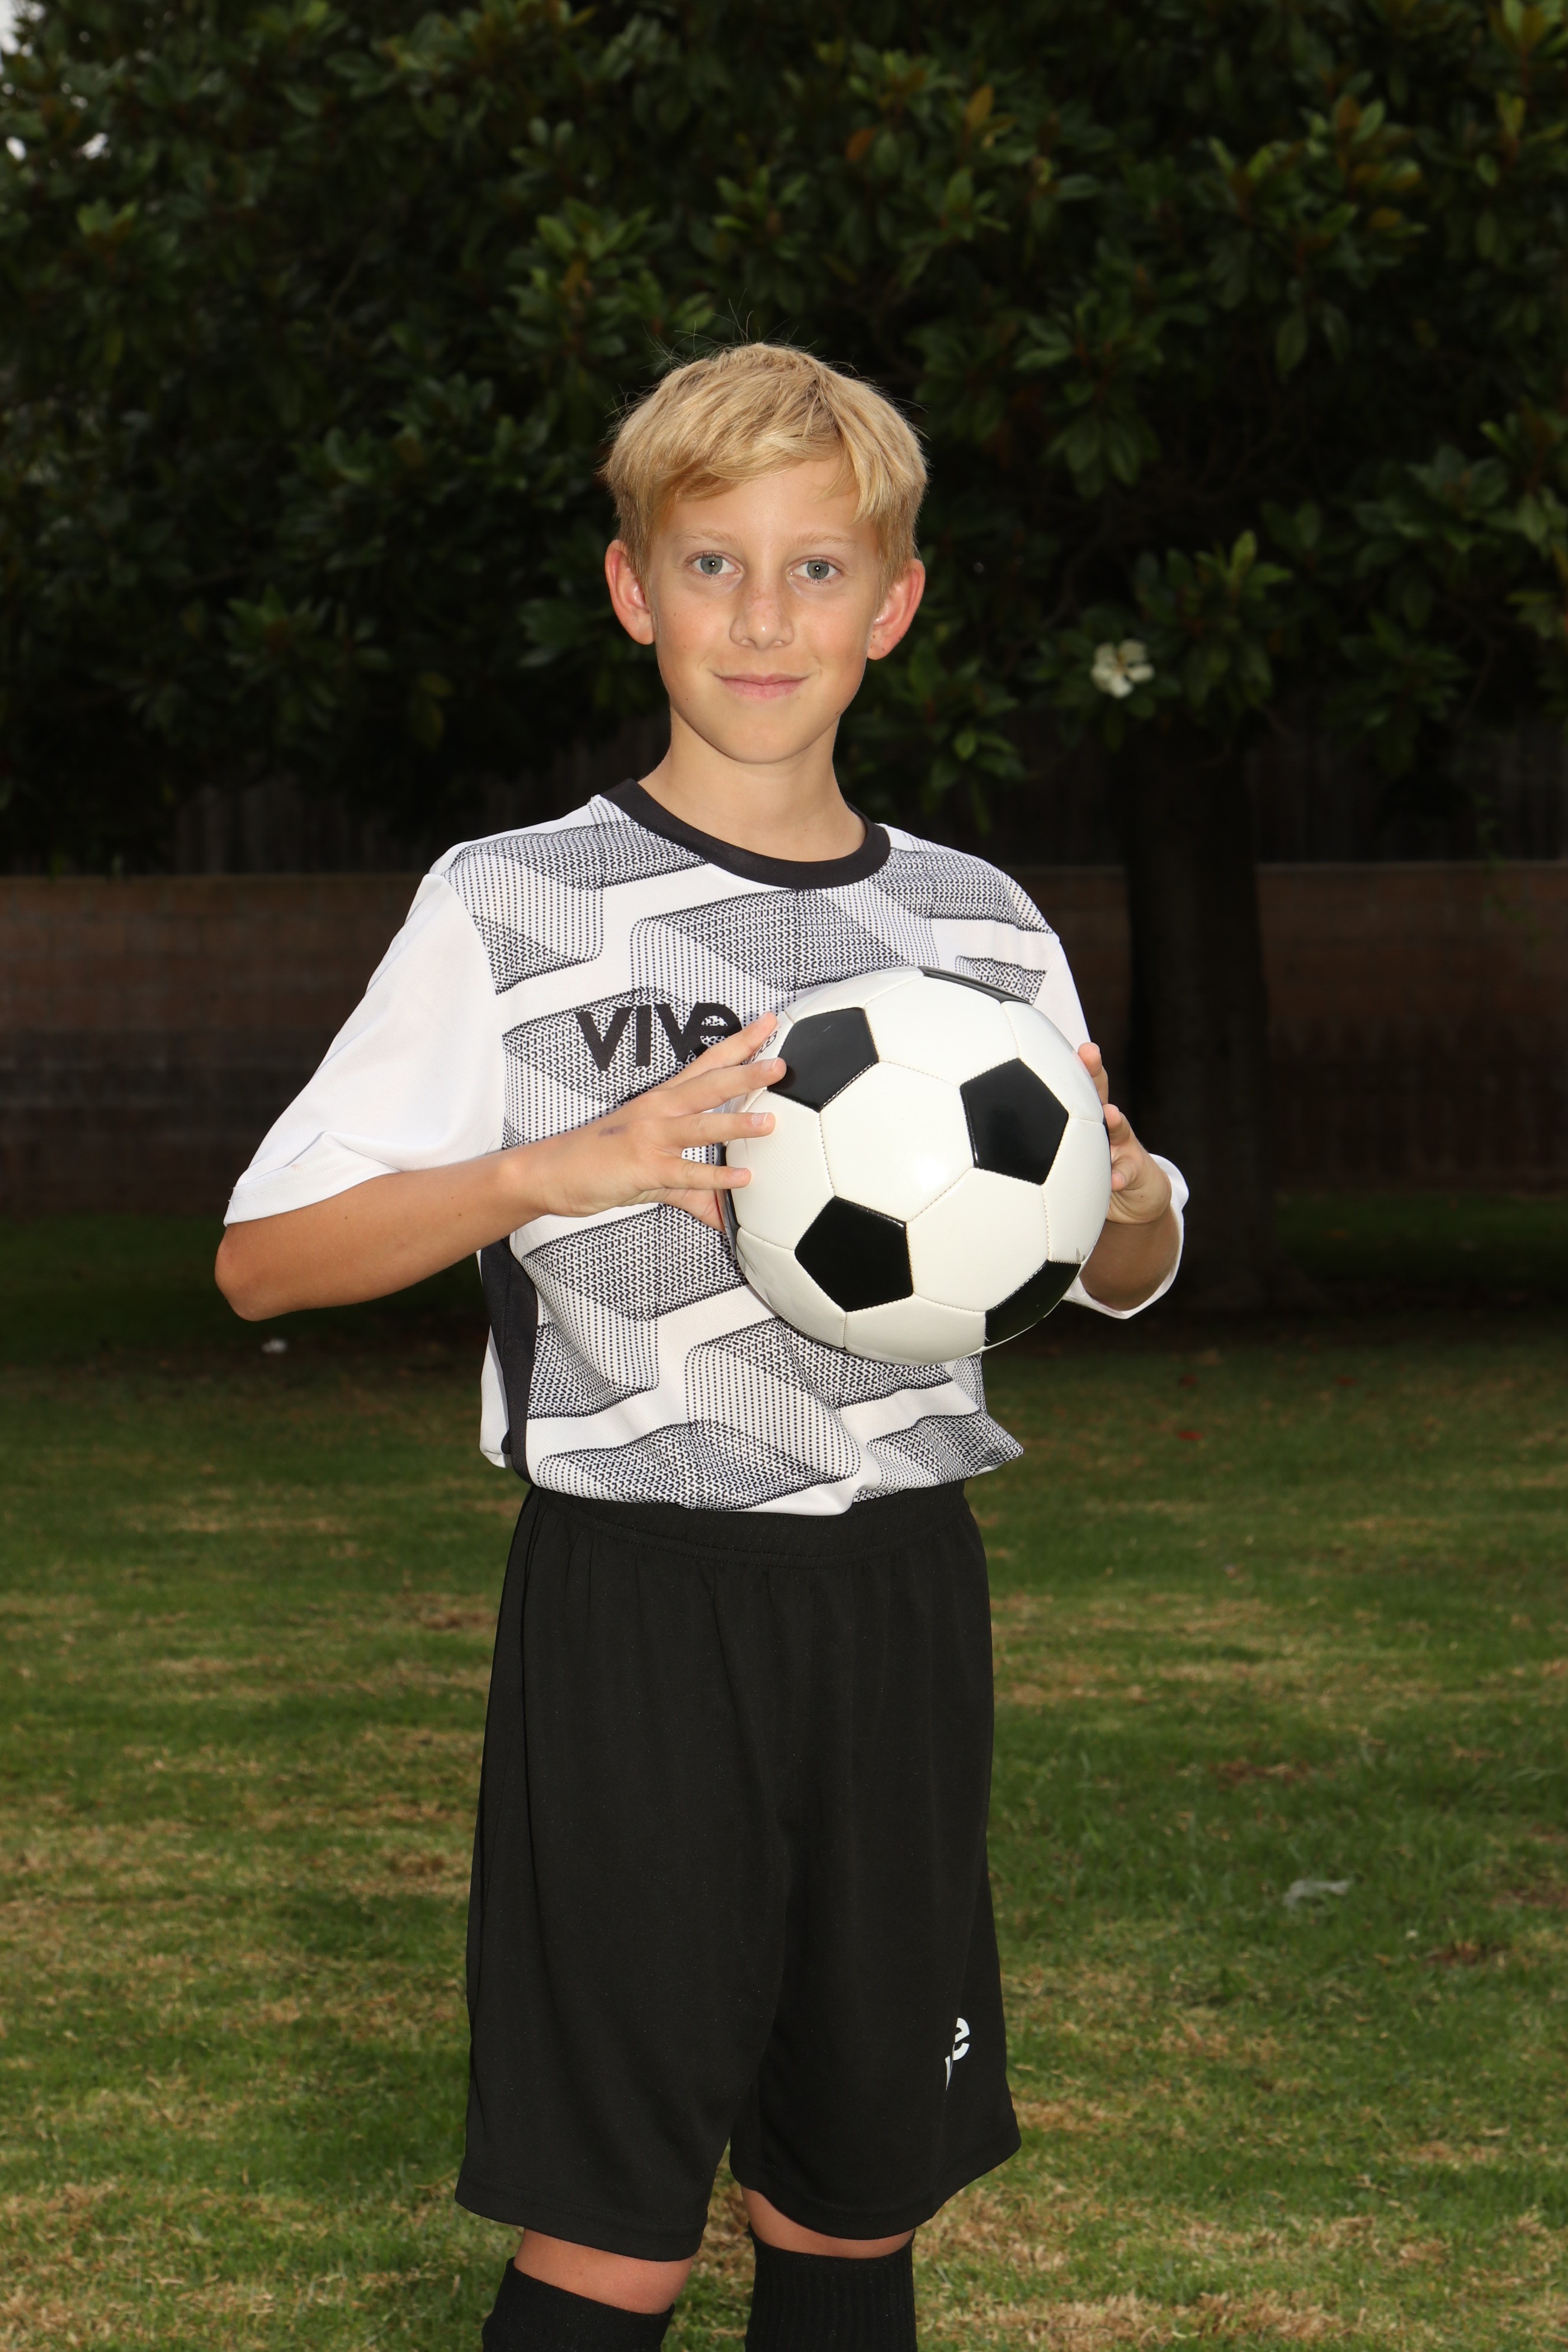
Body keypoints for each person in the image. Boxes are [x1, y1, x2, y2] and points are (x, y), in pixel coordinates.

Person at [216, 342, 1185, 2352]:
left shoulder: (981, 928)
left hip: (901, 1600)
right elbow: (262, 1264)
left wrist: (1126, 1192)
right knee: (615, 2234)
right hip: (639, 1602)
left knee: (851, 2211)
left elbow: (1120, 1264)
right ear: (632, 589)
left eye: (817, 568)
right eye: (713, 563)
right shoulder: (514, 904)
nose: (763, 616)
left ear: (893, 604)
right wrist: (557, 1167)